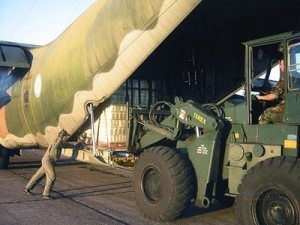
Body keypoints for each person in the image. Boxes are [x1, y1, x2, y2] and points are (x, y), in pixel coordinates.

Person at [23, 129, 69, 199]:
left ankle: (27, 189)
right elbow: (56, 145)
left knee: (38, 175)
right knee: (52, 176)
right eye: (66, 136)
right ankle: (46, 194)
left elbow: (68, 144)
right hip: (48, 161)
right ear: (62, 136)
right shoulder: (56, 142)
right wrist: (60, 137)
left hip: (48, 161)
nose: (67, 138)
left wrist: (79, 145)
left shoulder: (61, 142)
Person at [256, 59, 285, 124]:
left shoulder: (285, 80)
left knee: (266, 113)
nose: (280, 66)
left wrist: (260, 97)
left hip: (285, 108)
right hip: (290, 107)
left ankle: (262, 133)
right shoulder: (293, 78)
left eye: (281, 64)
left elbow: (272, 97)